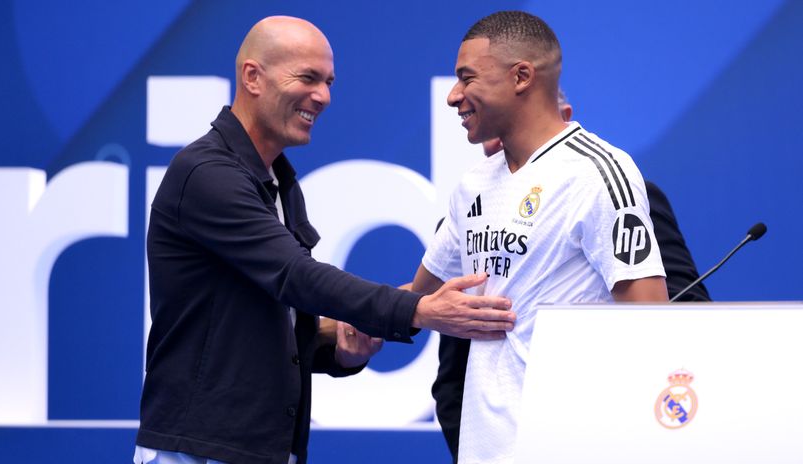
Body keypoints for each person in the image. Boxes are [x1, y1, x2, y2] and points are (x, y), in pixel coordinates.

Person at [134, 16, 516, 464]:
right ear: (252, 77)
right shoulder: (207, 174)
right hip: (197, 452)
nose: (323, 96)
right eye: (308, 78)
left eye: (329, 82)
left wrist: (338, 345)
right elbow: (295, 276)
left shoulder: (279, 181)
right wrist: (417, 309)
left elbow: (262, 324)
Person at [411, 11, 669, 464]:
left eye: (467, 78)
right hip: (482, 450)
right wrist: (330, 325)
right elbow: (418, 299)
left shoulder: (597, 172)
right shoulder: (473, 185)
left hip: (574, 448)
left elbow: (652, 324)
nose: (454, 96)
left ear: (521, 77)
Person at [431, 90, 710, 463]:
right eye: (495, 132)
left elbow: (683, 307)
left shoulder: (614, 192)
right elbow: (451, 370)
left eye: (511, 127)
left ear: (561, 117)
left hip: (594, 437)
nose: (502, 144)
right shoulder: (468, 209)